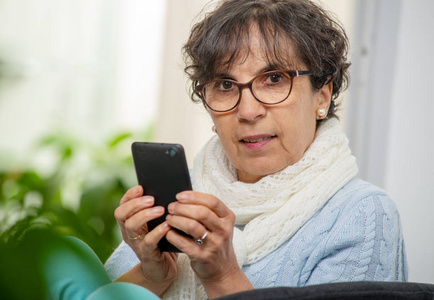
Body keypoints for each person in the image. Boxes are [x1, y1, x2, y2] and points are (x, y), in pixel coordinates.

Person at [104, 0, 408, 299]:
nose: (248, 111)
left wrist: (223, 276)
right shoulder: (183, 198)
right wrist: (152, 275)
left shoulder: (362, 216)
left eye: (274, 79)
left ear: (322, 97)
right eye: (225, 85)